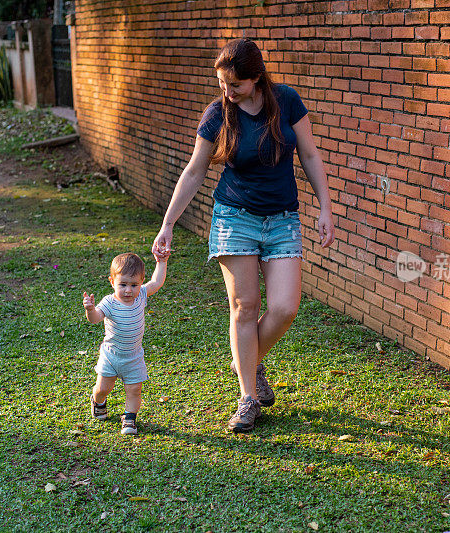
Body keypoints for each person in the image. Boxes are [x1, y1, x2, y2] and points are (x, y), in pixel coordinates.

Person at [152, 38, 335, 433]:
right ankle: (248, 397)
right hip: (235, 218)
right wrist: (168, 223)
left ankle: (245, 359)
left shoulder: (286, 101)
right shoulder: (218, 113)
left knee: (285, 308)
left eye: (234, 85)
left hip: (283, 218)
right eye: (222, 84)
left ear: (256, 78)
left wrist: (325, 206)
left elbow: (310, 155)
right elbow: (195, 170)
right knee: (245, 308)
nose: (227, 92)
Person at [82, 251, 168, 435]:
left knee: (134, 389)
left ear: (141, 282)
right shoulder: (109, 303)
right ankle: (98, 401)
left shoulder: (142, 295)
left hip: (134, 357)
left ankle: (129, 418)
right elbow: (95, 319)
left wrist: (162, 262)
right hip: (111, 356)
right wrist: (90, 309)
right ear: (112, 282)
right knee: (104, 388)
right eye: (122, 284)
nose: (128, 290)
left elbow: (157, 282)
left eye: (134, 285)